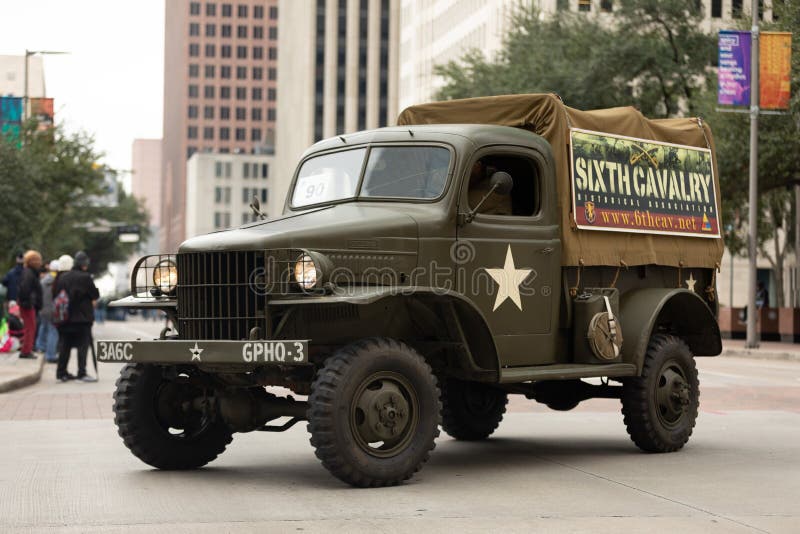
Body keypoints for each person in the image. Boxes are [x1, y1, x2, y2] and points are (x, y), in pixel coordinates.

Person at [54, 251, 99, 382]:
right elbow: (95, 295)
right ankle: (82, 372)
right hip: (83, 318)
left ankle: (61, 372)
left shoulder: (63, 277)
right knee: (83, 346)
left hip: (65, 318)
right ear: (84, 264)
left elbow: (57, 295)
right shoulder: (86, 277)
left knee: (64, 346)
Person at [17, 250, 43, 359]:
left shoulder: (28, 272)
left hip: (28, 303)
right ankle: (26, 351)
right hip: (27, 304)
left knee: (30, 327)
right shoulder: (29, 273)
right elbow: (25, 289)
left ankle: (26, 349)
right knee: (30, 327)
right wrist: (28, 301)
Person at [35, 260, 60, 363]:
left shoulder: (44, 280)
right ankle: (50, 355)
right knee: (53, 332)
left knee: (43, 327)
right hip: (53, 310)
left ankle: (40, 347)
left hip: (43, 309)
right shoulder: (58, 281)